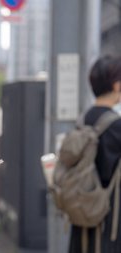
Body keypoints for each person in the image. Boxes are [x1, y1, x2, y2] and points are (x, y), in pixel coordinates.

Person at [69, 55, 121, 252]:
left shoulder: (82, 120)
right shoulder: (116, 125)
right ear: (116, 86)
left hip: (80, 211)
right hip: (108, 217)